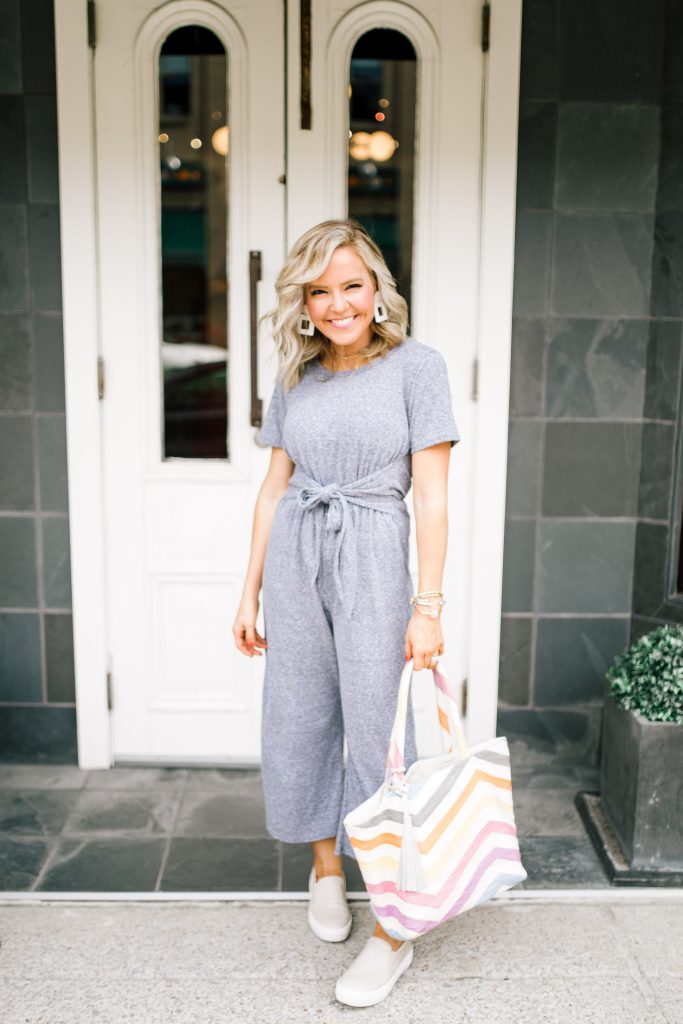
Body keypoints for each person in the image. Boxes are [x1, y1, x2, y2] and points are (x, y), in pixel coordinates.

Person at [232, 219, 460, 1007]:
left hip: (372, 554)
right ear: (302, 301)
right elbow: (272, 487)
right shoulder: (295, 376)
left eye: (350, 286)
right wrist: (249, 588)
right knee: (299, 715)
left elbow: (430, 495)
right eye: (319, 291)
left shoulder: (415, 368)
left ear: (377, 289)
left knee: (378, 737)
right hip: (297, 554)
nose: (336, 304)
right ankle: (325, 866)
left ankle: (393, 929)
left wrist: (426, 606)